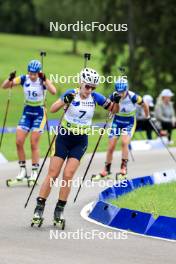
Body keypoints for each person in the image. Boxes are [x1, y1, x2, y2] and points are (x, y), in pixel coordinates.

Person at [31, 67, 119, 227]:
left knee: (68, 175)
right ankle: (39, 207)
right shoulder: (71, 93)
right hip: (64, 138)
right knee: (53, 173)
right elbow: (52, 109)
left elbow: (114, 110)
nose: (89, 90)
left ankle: (59, 210)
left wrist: (116, 101)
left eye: (93, 87)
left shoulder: (96, 98)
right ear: (81, 82)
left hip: (80, 141)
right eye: (87, 86)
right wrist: (65, 100)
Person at [1, 60, 56, 182]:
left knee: (33, 143)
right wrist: (10, 79)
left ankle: (35, 171)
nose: (32, 76)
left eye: (34, 74)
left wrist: (45, 79)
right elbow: (4, 86)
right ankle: (22, 170)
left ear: (39, 73)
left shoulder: (42, 80)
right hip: (27, 112)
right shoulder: (23, 79)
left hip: (39, 114)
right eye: (30, 73)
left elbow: (53, 91)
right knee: (19, 141)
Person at [92, 78, 150, 181]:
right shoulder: (114, 95)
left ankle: (123, 169)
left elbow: (144, 104)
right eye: (119, 92)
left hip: (129, 122)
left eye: (123, 92)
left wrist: (147, 116)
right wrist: (110, 113)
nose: (121, 94)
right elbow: (111, 108)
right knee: (111, 146)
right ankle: (106, 170)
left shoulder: (133, 96)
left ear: (126, 89)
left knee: (124, 142)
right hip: (117, 121)